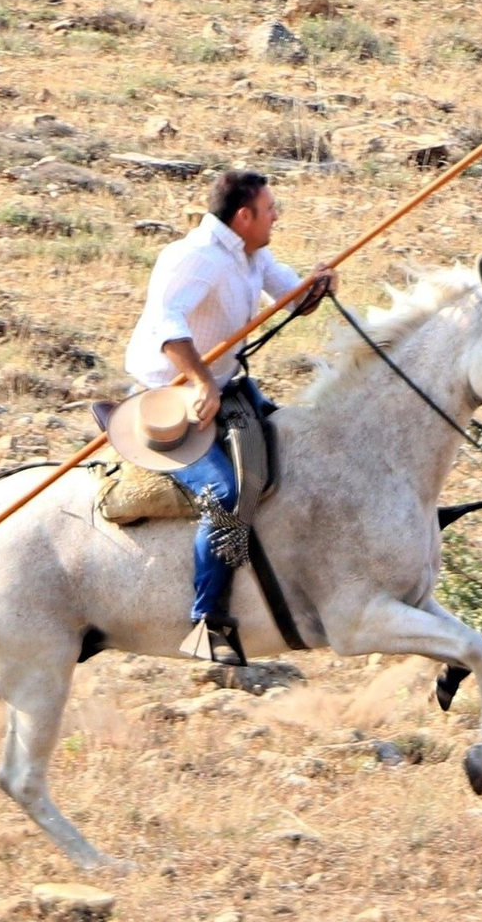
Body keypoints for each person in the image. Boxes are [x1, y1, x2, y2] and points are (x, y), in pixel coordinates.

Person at [124, 169, 338, 664]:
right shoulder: (192, 257)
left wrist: (316, 287)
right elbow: (166, 324)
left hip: (228, 388)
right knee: (225, 491)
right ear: (244, 217)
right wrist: (199, 381)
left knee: (297, 447)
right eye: (269, 209)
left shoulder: (251, 253)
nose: (276, 216)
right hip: (170, 397)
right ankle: (207, 621)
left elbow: (290, 297)